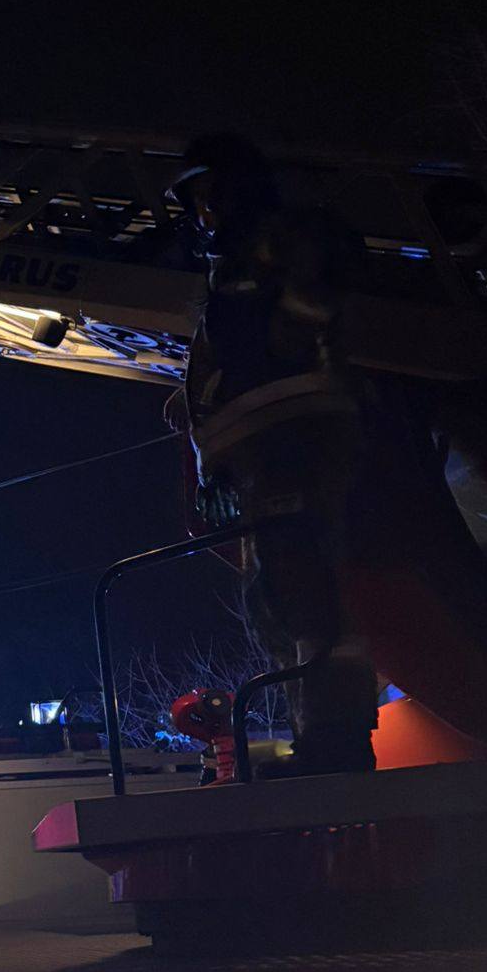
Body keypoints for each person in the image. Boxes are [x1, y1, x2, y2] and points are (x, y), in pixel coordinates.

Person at [169, 134, 378, 775]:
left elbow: (310, 309)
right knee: (278, 603)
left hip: (296, 442)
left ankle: (338, 742)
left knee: (307, 591)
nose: (203, 213)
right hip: (261, 454)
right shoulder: (232, 269)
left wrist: (286, 332)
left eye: (209, 196)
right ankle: (318, 739)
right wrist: (213, 459)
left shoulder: (283, 242)